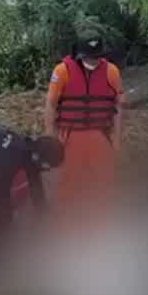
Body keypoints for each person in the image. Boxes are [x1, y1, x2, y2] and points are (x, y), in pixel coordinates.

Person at [44, 33, 122, 205]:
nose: (93, 62)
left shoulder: (112, 71)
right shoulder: (62, 71)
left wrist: (116, 138)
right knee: (69, 185)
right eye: (89, 57)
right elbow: (50, 105)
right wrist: (50, 139)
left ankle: (102, 222)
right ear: (79, 54)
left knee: (104, 183)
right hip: (70, 135)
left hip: (101, 135)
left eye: (97, 57)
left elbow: (117, 108)